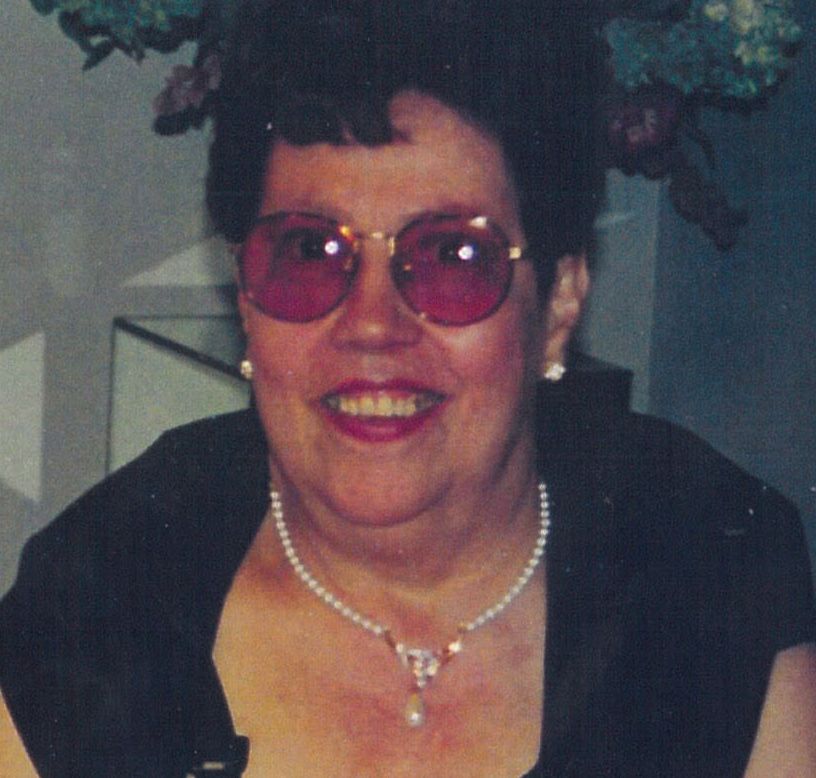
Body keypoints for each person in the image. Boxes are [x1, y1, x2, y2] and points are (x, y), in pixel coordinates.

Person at [1, 2, 815, 776]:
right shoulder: (96, 605)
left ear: (559, 305)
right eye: (309, 252)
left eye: (453, 257)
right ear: (246, 299)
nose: (371, 325)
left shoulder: (709, 577)